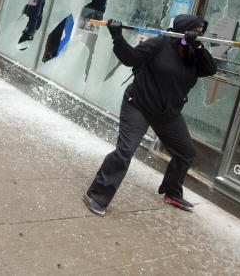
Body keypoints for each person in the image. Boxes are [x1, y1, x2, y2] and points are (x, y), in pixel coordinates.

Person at [84, 15, 217, 216]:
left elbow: (210, 69)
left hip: (168, 113)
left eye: (200, 32)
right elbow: (129, 58)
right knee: (125, 151)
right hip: (139, 105)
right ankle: (96, 195)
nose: (198, 34)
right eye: (195, 30)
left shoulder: (193, 53)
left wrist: (197, 47)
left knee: (185, 153)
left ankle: (172, 193)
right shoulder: (159, 44)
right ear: (184, 29)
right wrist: (117, 36)